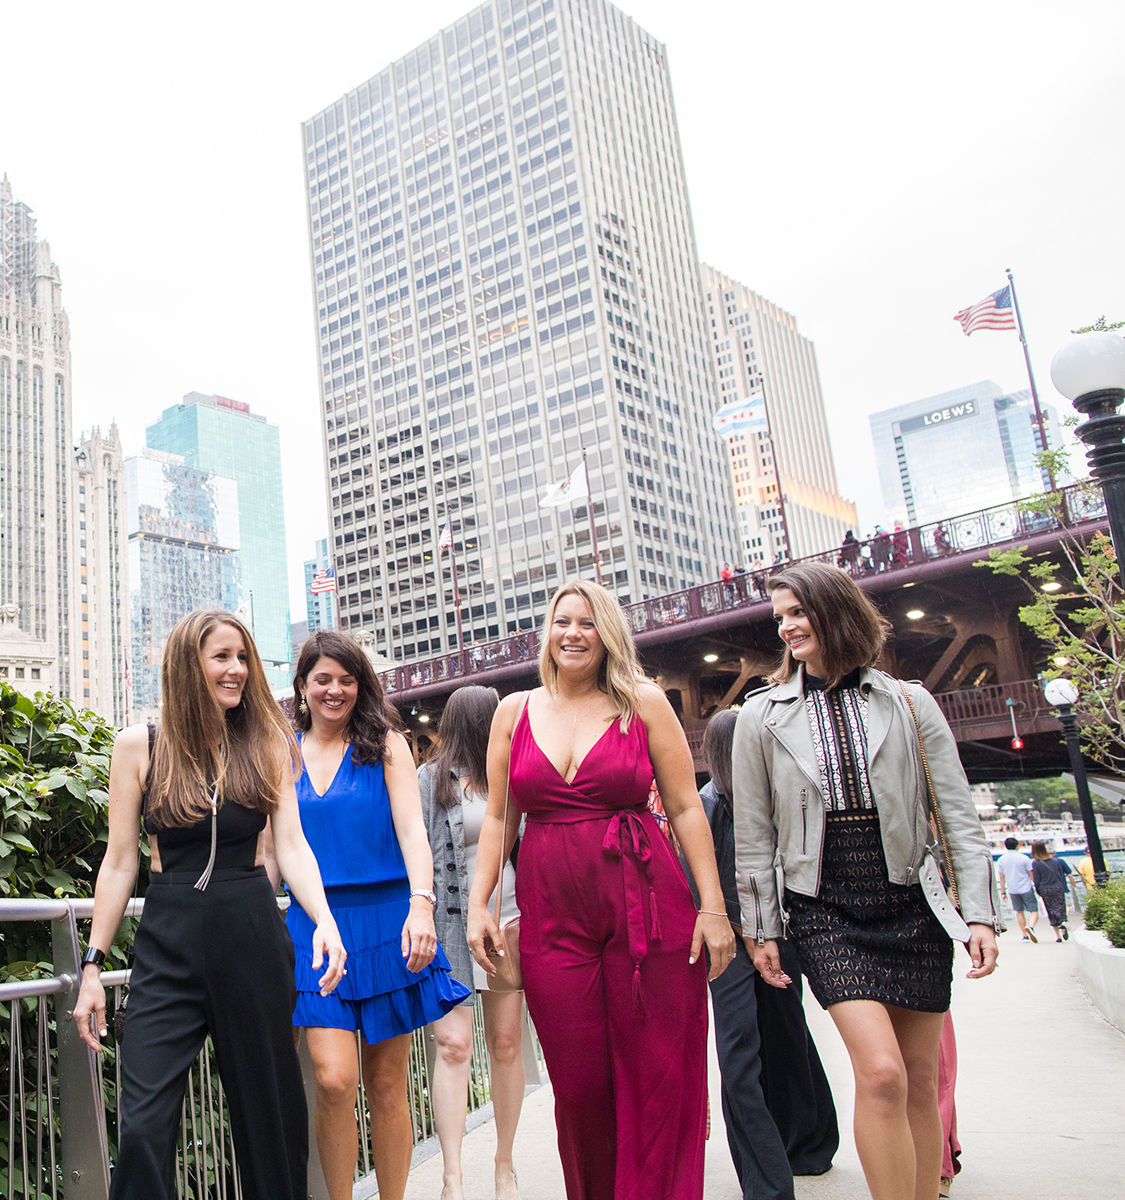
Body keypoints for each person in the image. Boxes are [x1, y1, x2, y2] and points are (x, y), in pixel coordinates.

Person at [732, 562, 1000, 1200]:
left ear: (836, 611)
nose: (788, 627)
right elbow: (755, 835)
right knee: (880, 1073)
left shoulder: (912, 702)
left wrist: (982, 914)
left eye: (798, 612)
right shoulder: (760, 716)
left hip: (912, 904)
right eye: (780, 617)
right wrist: (761, 927)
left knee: (916, 1074)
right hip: (826, 910)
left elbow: (957, 815)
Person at [467, 579, 736, 1200]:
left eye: (588, 623)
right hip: (552, 918)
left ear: (607, 633)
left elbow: (686, 807)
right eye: (563, 621)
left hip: (649, 905)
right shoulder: (514, 712)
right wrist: (480, 903)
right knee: (580, 1084)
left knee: (657, 1074)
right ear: (547, 632)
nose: (573, 634)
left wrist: (713, 908)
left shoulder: (643, 702)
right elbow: (502, 819)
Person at [72, 610, 347, 1200]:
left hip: (251, 930)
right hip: (168, 940)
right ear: (186, 664)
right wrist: (93, 964)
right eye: (222, 656)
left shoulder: (267, 743)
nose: (237, 670)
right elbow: (121, 862)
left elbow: (292, 846)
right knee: (143, 1123)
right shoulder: (138, 747)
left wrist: (324, 919)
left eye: (243, 657)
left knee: (268, 1117)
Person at [289, 631, 470, 1200]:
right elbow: (275, 851)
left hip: (388, 921)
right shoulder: (282, 751)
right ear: (302, 687)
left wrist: (422, 902)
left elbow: (414, 832)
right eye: (323, 679)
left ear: (360, 685)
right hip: (315, 928)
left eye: (347, 679)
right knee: (334, 1079)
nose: (335, 690)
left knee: (388, 1085)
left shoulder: (386, 745)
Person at [686, 709, 837, 1199]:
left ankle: (766, 1179)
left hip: (727, 943)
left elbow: (695, 885)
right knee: (788, 1036)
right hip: (778, 935)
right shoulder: (771, 801)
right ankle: (808, 1145)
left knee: (740, 1059)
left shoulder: (706, 804)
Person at [420, 685, 526, 1200]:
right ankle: (452, 1176)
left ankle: (504, 1164)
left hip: (507, 922)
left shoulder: (512, 778)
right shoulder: (430, 781)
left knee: (506, 1044)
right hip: (448, 926)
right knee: (454, 1045)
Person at [996, 837, 1040, 942]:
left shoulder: (1001, 860)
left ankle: (1024, 936)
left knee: (1019, 912)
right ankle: (1031, 926)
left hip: (1012, 889)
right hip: (1026, 887)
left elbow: (1002, 877)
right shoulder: (1024, 858)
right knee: (1033, 910)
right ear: (1017, 845)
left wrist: (1003, 892)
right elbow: (1031, 874)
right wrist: (1037, 886)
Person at [1030, 841, 1071, 941]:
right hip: (1058, 887)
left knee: (1051, 911)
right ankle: (1063, 923)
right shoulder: (1055, 861)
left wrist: (1038, 890)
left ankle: (1058, 937)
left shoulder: (1036, 863)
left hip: (1045, 889)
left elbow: (1037, 879)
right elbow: (1060, 875)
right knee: (1061, 909)